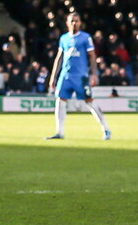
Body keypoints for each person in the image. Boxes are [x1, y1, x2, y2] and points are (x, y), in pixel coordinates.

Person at [45, 13, 111, 141]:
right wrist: (53, 76)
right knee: (60, 100)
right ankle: (59, 132)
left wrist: (94, 74)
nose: (74, 23)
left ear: (80, 23)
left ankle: (106, 129)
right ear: (67, 23)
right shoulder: (63, 38)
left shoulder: (85, 38)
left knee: (89, 101)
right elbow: (59, 57)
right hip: (65, 76)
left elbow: (92, 57)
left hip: (80, 76)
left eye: (76, 21)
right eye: (72, 21)